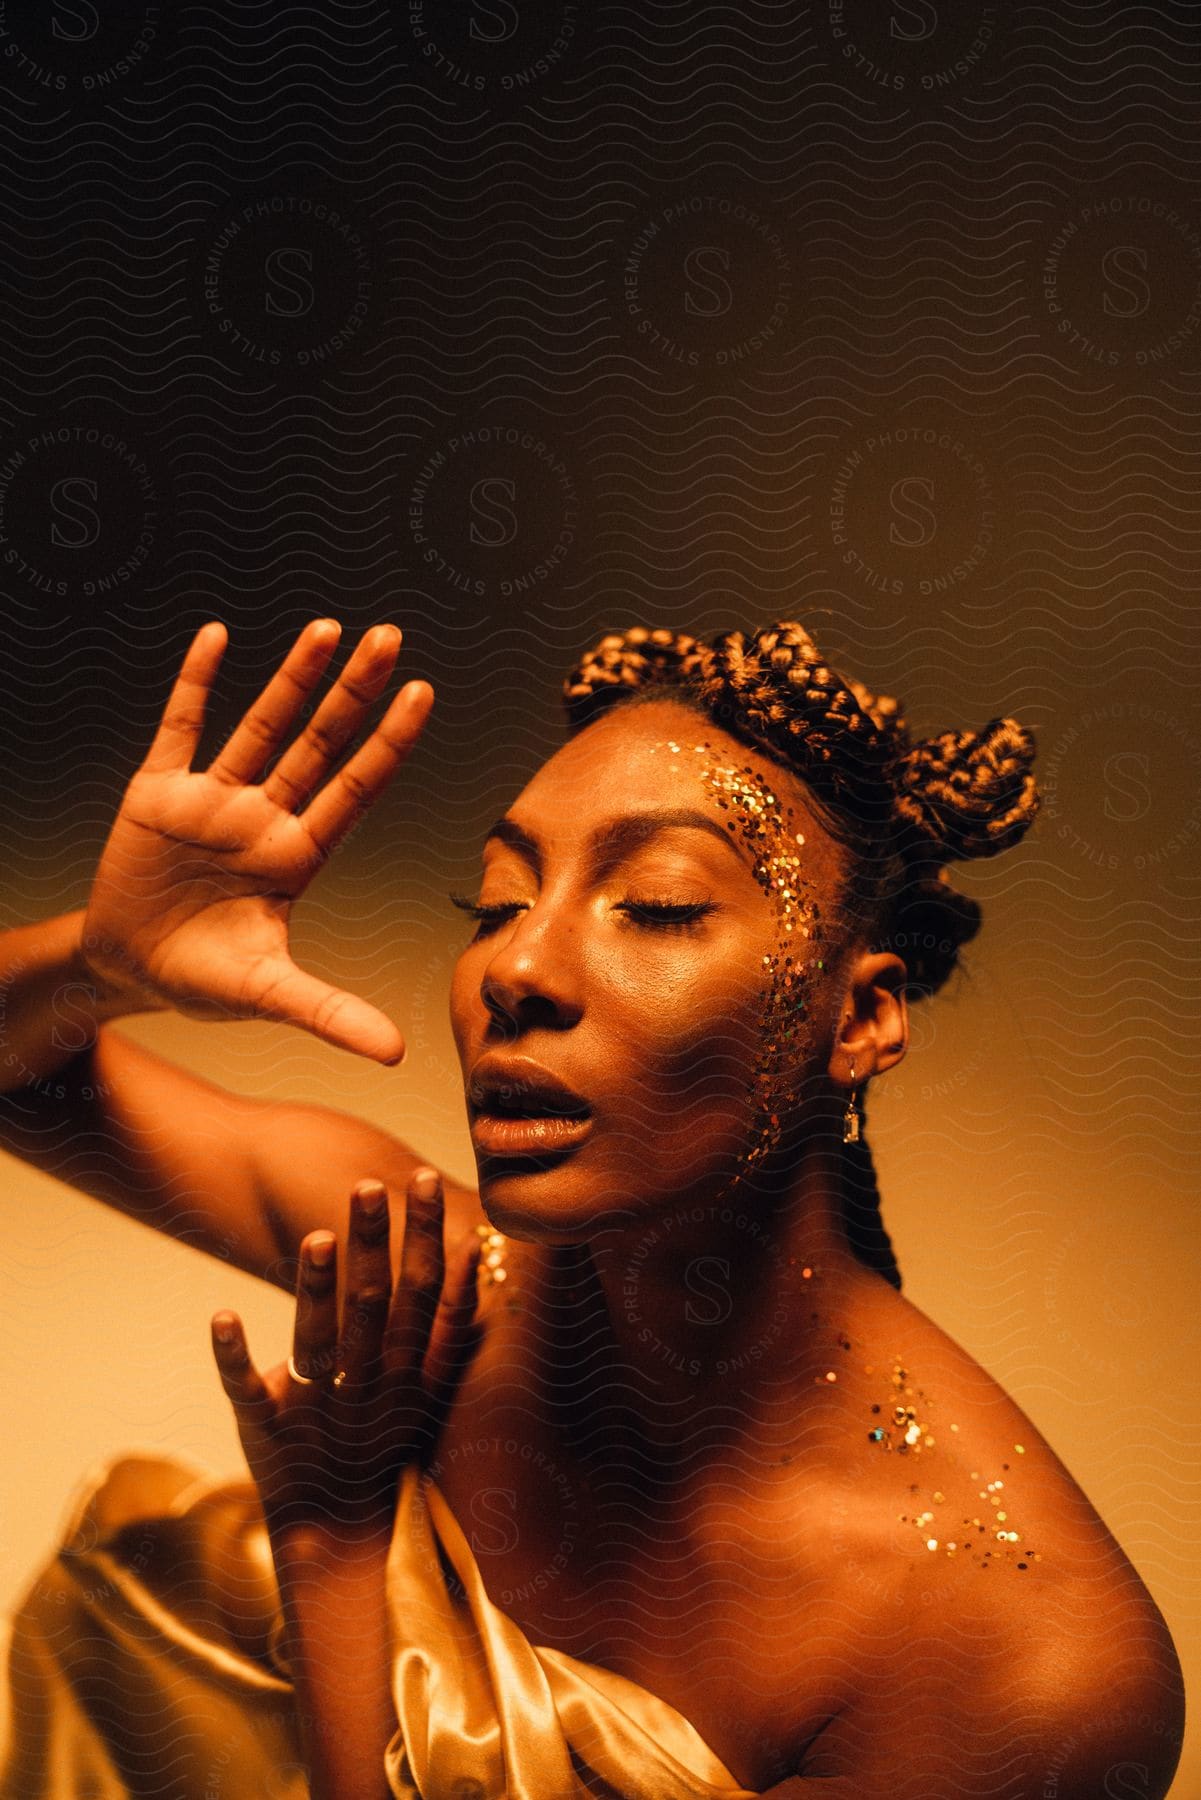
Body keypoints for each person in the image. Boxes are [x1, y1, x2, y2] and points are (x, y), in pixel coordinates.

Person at [0, 617, 1185, 1799]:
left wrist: (336, 1545)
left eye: (657, 905)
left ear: (860, 1017)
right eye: (498, 903)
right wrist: (100, 961)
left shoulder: (1021, 1669)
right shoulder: (435, 1293)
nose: (516, 970)